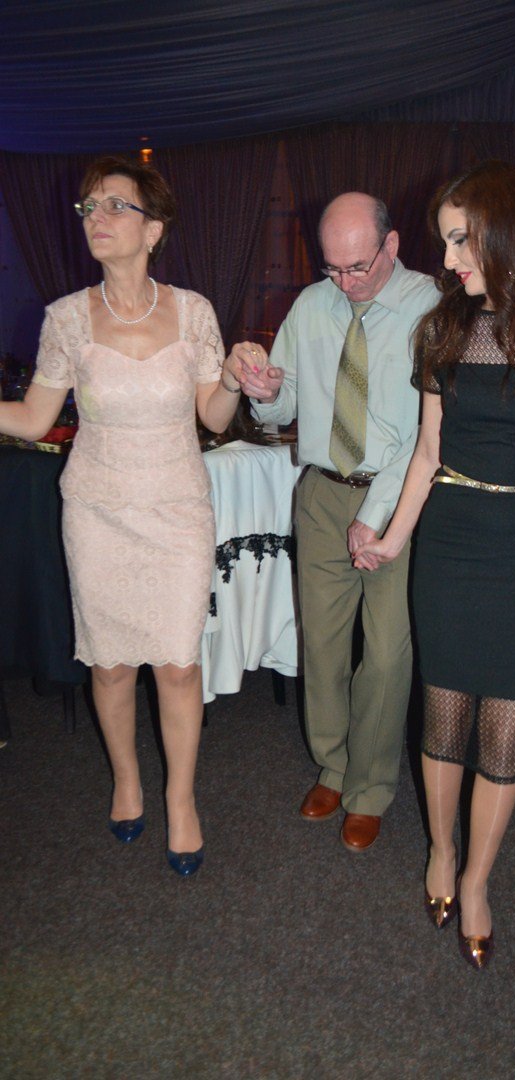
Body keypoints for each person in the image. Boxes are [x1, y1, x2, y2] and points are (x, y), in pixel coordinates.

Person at [353, 162, 515, 968]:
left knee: (505, 732)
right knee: (443, 720)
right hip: (452, 545)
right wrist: (392, 537)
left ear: (507, 235)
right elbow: (426, 452)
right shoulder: (441, 329)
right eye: (444, 242)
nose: (448, 260)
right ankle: (440, 852)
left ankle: (476, 880)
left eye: (460, 241)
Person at [0, 156, 244, 875]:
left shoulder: (194, 311)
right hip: (98, 511)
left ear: (153, 229)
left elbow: (215, 417)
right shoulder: (65, 318)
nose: (96, 219)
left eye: (114, 206)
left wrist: (233, 378)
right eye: (88, 208)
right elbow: (35, 418)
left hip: (177, 511)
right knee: (108, 666)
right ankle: (127, 779)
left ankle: (181, 799)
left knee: (178, 665)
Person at [231, 193, 439, 852]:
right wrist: (265, 395)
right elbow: (283, 402)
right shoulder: (311, 305)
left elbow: (426, 434)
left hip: (400, 497)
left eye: (357, 267)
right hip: (322, 494)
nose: (344, 283)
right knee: (320, 644)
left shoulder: (432, 309)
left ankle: (371, 787)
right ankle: (334, 765)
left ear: (391, 245)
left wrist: (375, 516)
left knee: (386, 653)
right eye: (331, 269)